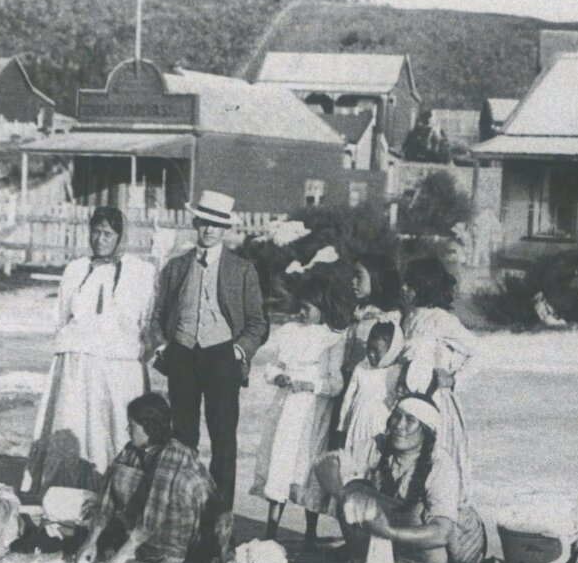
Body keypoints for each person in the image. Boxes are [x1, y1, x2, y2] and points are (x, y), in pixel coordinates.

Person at [147, 189, 268, 513]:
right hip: (183, 356)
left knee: (223, 441)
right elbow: (157, 316)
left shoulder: (241, 270)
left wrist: (239, 352)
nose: (209, 229)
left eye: (217, 224)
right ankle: (183, 512)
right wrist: (162, 347)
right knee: (183, 439)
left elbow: (258, 322)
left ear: (225, 228)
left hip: (222, 358)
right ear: (196, 222)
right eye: (204, 222)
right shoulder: (176, 267)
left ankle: (218, 521)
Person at [25, 205, 158, 493]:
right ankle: (65, 487)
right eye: (95, 232)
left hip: (119, 366)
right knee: (74, 423)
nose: (100, 240)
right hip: (77, 364)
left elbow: (148, 320)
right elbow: (61, 316)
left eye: (108, 234)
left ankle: (116, 488)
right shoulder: (76, 270)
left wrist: (136, 350)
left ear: (120, 236)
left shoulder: (140, 273)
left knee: (116, 426)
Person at [71, 392, 225, 563]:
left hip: (202, 533)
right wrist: (91, 540)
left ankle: (176, 553)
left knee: (182, 483)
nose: (128, 429)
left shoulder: (173, 452)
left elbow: (155, 509)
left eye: (133, 426)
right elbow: (107, 495)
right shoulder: (132, 449)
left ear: (150, 427)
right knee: (119, 473)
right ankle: (151, 548)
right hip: (160, 525)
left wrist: (118, 560)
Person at [345, 396, 487, 563]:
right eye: (396, 417)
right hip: (402, 532)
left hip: (454, 542)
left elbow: (442, 532)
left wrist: (388, 532)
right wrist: (345, 493)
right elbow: (328, 463)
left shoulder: (440, 464)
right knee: (354, 490)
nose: (399, 425)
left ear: (426, 431)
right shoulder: (377, 446)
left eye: (410, 420)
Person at [254, 276, 354, 542]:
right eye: (299, 306)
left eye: (306, 308)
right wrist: (279, 377)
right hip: (286, 407)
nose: (300, 312)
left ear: (321, 307)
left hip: (311, 412)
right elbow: (274, 366)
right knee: (280, 464)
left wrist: (310, 385)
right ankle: (271, 531)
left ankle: (310, 530)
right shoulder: (289, 332)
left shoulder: (332, 339)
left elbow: (335, 383)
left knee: (308, 468)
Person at [399, 256, 476, 501]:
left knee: (435, 458)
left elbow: (477, 350)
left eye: (410, 285)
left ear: (424, 286)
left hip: (436, 401)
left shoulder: (442, 320)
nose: (404, 289)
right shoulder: (409, 317)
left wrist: (454, 379)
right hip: (409, 400)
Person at [336, 318, 404, 486]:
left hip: (379, 432)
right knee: (353, 471)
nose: (371, 354)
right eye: (369, 349)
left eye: (377, 350)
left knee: (375, 472)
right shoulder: (361, 368)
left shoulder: (396, 373)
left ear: (392, 350)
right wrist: (341, 427)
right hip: (356, 429)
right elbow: (348, 399)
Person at [342, 253, 403, 379]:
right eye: (353, 276)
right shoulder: (358, 313)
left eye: (359, 276)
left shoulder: (388, 319)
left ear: (377, 277)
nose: (353, 281)